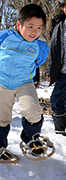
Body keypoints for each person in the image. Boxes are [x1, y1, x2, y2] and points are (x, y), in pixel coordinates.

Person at [0, 4, 49, 160]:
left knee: (33, 111)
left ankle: (31, 140)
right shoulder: (5, 36)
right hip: (3, 82)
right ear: (19, 25)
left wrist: (28, 71)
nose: (35, 31)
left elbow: (40, 60)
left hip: (24, 82)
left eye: (39, 27)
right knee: (2, 116)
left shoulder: (40, 45)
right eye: (31, 26)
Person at [49, 0, 66, 136]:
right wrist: (51, 70)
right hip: (62, 71)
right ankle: (60, 131)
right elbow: (53, 49)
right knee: (56, 99)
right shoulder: (58, 23)